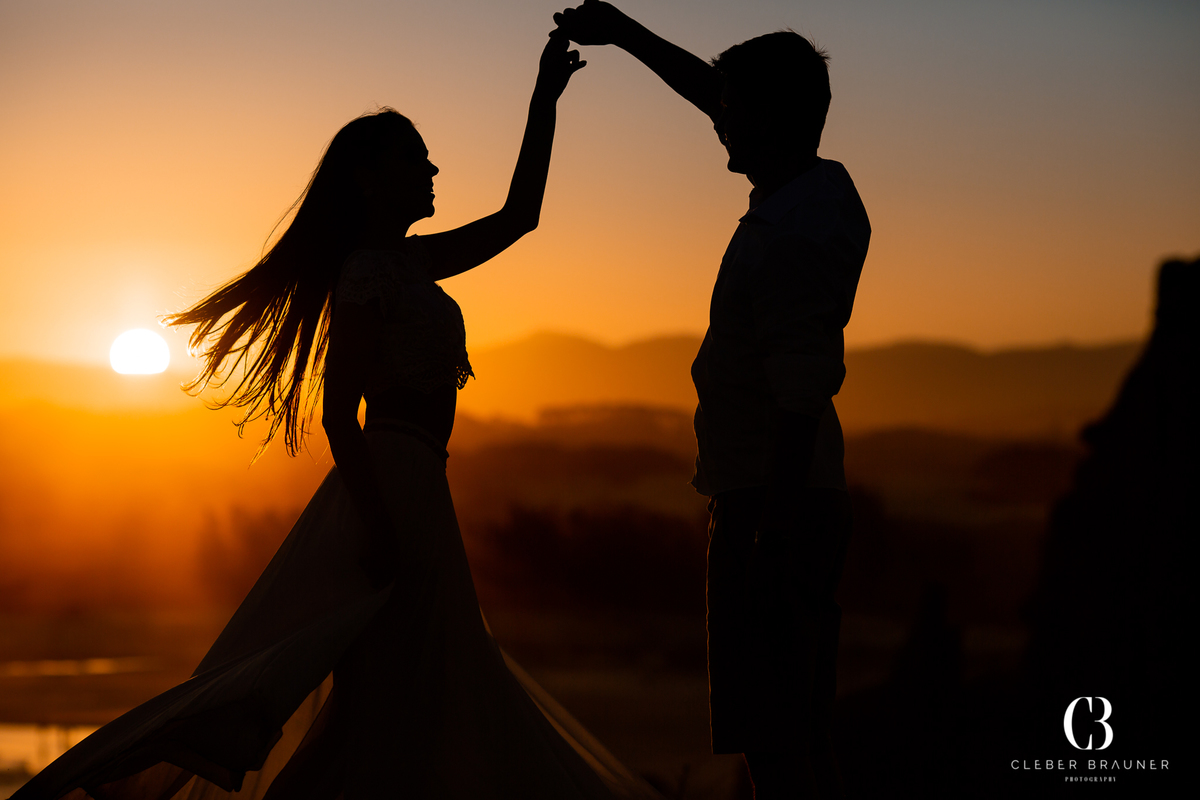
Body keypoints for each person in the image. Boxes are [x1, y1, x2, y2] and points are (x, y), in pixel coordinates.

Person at [14, 32, 657, 800]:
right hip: (388, 487)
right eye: (415, 158)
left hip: (421, 484)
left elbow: (520, 216)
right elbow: (337, 413)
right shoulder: (367, 275)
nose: (432, 169)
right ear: (369, 179)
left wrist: (544, 101)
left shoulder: (409, 263)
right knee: (411, 681)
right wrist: (382, 521)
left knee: (416, 686)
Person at [553, 3, 870, 798]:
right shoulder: (810, 191)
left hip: (775, 502)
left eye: (733, 113)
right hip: (777, 498)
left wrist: (772, 536)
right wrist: (623, 32)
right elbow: (717, 93)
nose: (717, 124)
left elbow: (800, 396)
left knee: (780, 744)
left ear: (769, 118)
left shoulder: (792, 234)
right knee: (787, 730)